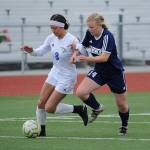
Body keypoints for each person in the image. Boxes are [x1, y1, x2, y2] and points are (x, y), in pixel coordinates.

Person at [21, 14, 88, 136]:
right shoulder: (51, 38)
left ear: (62, 27)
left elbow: (84, 52)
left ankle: (79, 109)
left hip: (67, 77)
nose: (53, 30)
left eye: (55, 28)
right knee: (41, 103)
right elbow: (40, 51)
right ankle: (42, 132)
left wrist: (77, 51)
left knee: (49, 108)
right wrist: (31, 51)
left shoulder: (72, 39)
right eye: (51, 27)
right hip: (54, 72)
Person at [70, 13, 129, 136]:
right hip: (100, 71)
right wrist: (75, 54)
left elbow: (104, 58)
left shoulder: (108, 36)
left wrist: (86, 58)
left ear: (99, 25)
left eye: (92, 27)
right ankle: (97, 108)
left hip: (114, 73)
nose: (90, 30)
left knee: (122, 105)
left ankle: (124, 126)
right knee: (81, 92)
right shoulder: (89, 33)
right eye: (89, 27)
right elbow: (81, 45)